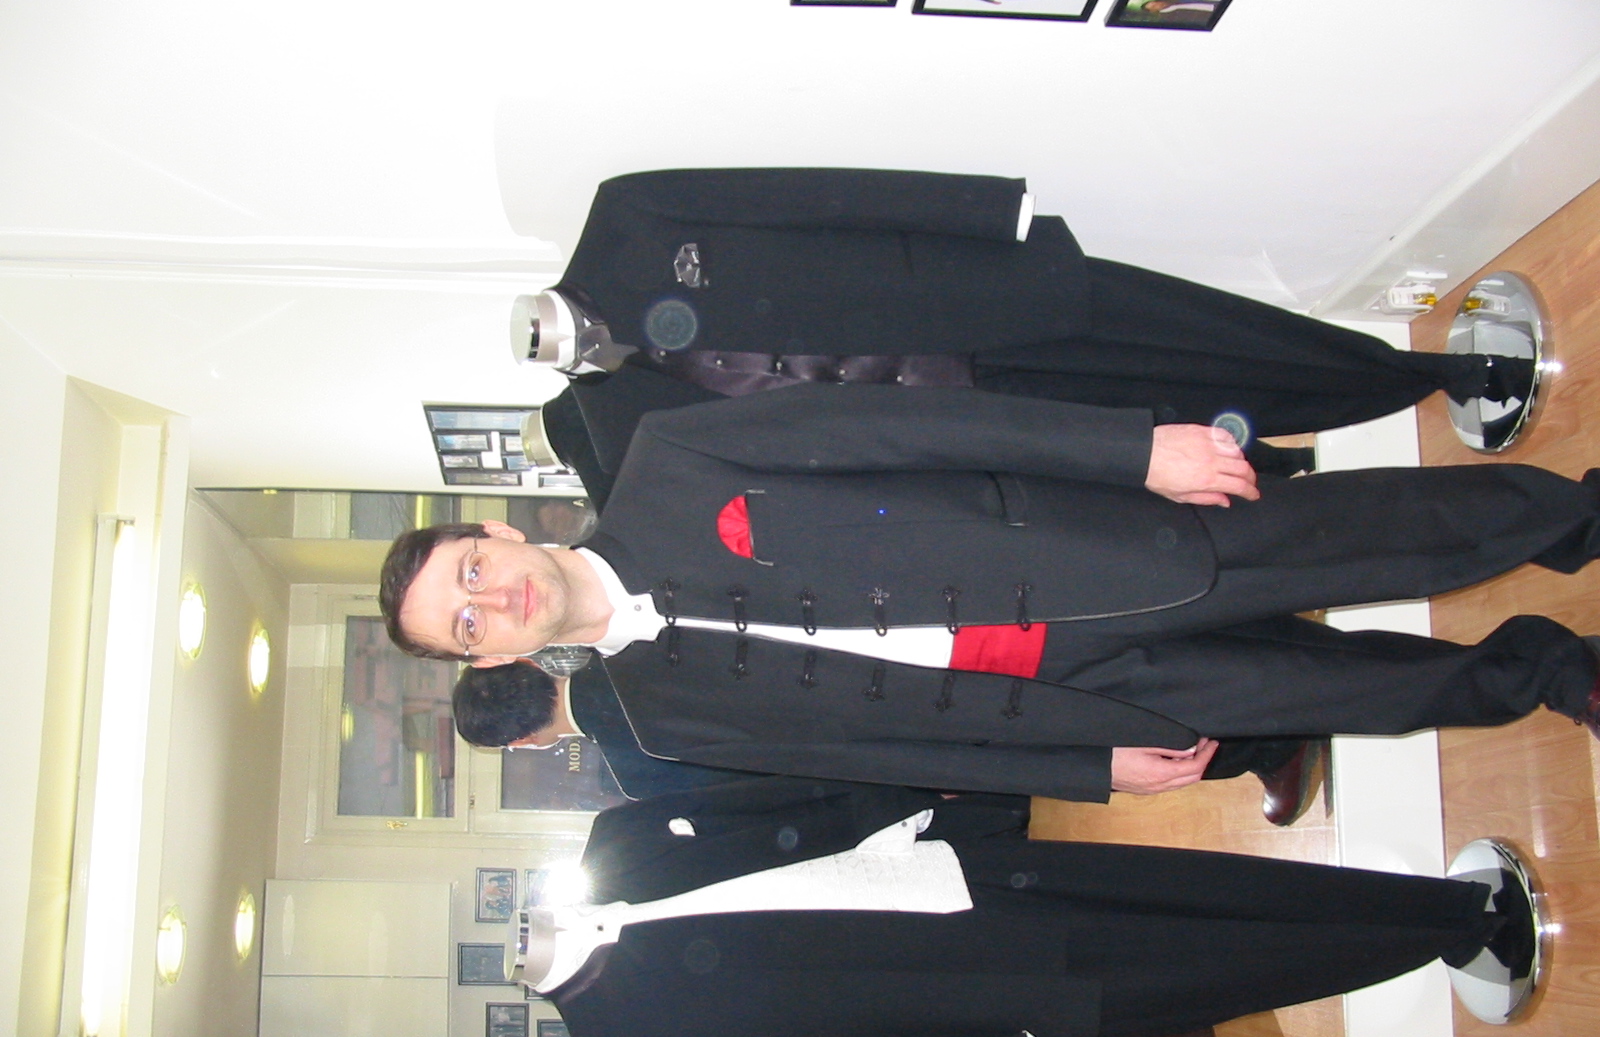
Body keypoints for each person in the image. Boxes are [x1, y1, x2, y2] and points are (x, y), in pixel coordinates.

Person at [381, 387, 1600, 803]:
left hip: (1087, 546)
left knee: (1368, 537)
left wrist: (1131, 451)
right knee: (1340, 697)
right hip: (1063, 696)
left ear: (497, 531)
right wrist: (1087, 771)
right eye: (465, 624)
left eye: (470, 572)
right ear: (488, 661)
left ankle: (1572, 518)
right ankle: (1545, 670)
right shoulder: (661, 719)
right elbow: (882, 756)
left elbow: (909, 426)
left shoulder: (670, 460)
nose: (492, 602)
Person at [517, 775, 1527, 1037]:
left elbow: (789, 802)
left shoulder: (618, 842)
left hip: (974, 877)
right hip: (992, 995)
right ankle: (1460, 933)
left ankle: (1445, 904)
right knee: (1238, 968)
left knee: (1227, 889)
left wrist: (923, 803)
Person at [516, 167, 1532, 509]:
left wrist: (981, 214)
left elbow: (808, 194)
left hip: (976, 301)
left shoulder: (629, 222)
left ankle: (1436, 369)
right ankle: (1377, 409)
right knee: (1200, 427)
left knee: (1217, 337)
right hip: (986, 428)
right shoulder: (626, 429)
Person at [453, 655, 1317, 820]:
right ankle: (1270, 691)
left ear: (525, 744)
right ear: (524, 663)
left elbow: (788, 792)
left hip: (886, 755)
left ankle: (1258, 747)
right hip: (885, 674)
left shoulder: (639, 779)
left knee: (1072, 754)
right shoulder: (632, 646)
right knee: (1058, 695)